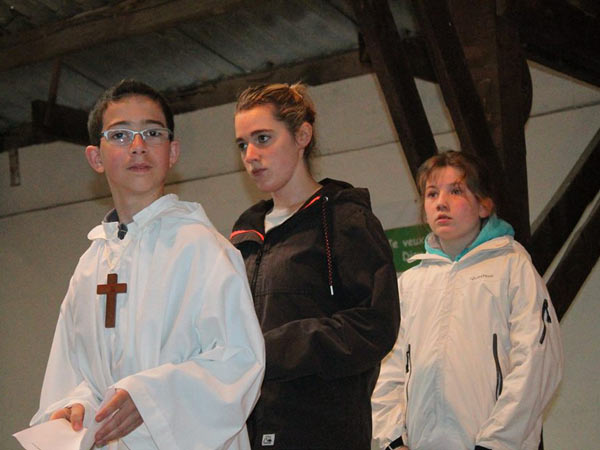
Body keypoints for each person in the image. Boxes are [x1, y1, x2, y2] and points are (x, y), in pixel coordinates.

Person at [30, 79, 265, 450]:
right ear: (95, 157)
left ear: (172, 152)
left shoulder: (204, 250)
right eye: (120, 135)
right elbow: (71, 375)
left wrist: (150, 398)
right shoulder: (90, 268)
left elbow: (239, 364)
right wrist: (75, 407)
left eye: (153, 133)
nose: (138, 146)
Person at [230, 82, 400, 449]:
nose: (251, 155)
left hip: (323, 430)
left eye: (263, 138)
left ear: (302, 136)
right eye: (242, 145)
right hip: (249, 431)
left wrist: (272, 349)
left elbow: (375, 324)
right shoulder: (244, 232)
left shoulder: (345, 219)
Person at [372, 150, 563, 450]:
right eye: (432, 193)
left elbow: (536, 363)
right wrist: (393, 441)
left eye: (456, 191)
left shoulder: (512, 267)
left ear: (484, 205)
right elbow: (388, 370)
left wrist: (496, 443)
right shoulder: (410, 283)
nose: (441, 202)